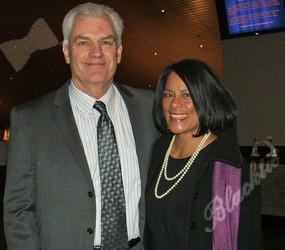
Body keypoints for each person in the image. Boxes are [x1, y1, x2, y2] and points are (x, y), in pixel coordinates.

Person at [4, 3, 159, 250]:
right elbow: (18, 211)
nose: (96, 52)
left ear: (119, 51)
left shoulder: (152, 109)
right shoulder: (29, 120)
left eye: (106, 42)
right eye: (83, 42)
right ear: (66, 51)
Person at [144, 59, 263, 249]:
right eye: (168, 94)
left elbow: (249, 239)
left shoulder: (230, 168)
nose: (175, 104)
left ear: (206, 100)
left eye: (187, 95)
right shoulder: (155, 152)